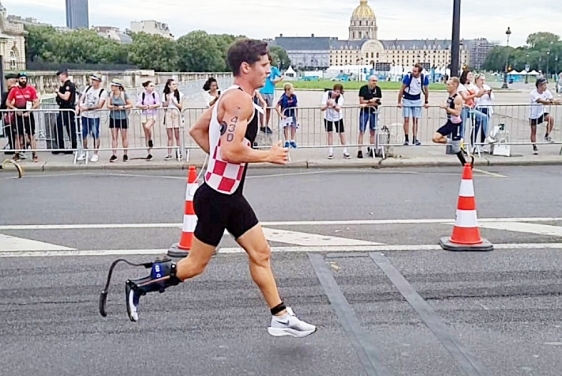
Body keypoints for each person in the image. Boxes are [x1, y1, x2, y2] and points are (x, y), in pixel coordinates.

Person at [122, 38, 317, 338]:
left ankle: (280, 316)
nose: (269, 70)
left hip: (228, 195)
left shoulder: (228, 96)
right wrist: (268, 155)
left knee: (261, 253)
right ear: (246, 67)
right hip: (217, 199)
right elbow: (231, 151)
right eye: (264, 65)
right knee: (193, 267)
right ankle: (138, 286)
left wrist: (219, 159)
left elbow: (198, 131)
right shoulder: (240, 102)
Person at [432, 77, 473, 168]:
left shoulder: (457, 98)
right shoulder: (450, 96)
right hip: (449, 122)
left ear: (454, 86)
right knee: (435, 138)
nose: (447, 86)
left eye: (449, 85)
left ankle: (466, 164)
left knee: (456, 149)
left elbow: (457, 113)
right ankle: (453, 142)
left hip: (456, 124)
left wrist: (446, 108)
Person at [529, 77, 561, 155]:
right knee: (533, 131)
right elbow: (541, 101)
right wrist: (553, 102)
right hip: (533, 115)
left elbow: (551, 100)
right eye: (544, 85)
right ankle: (534, 146)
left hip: (542, 113)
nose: (546, 86)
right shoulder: (533, 93)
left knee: (551, 119)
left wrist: (555, 101)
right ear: (539, 86)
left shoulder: (547, 92)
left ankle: (547, 135)